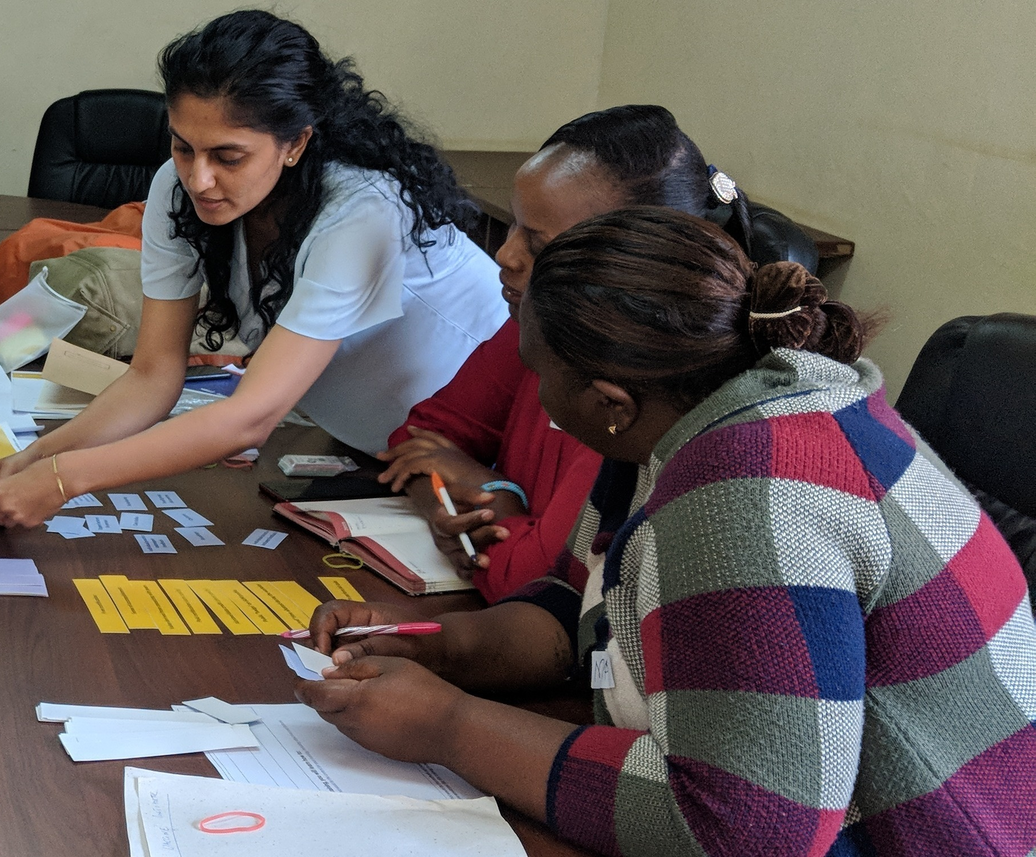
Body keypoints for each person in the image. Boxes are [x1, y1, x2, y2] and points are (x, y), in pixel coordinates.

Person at [297, 207, 1036, 855]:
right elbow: (586, 610)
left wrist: (449, 726)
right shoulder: (682, 416)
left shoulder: (750, 489)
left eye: (539, 373)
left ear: (609, 400)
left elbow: (745, 830)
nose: (538, 397)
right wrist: (440, 646)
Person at [0, 10, 505, 528]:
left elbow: (250, 419)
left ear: (295, 142)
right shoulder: (176, 189)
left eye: (229, 158)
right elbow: (153, 376)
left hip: (475, 457)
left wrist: (63, 480)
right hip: (379, 451)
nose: (198, 179)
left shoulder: (364, 211)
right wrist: (35, 459)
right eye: (183, 147)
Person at [374, 105, 753, 598]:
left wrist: (493, 496)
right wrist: (443, 505)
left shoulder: (639, 398)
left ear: (628, 259)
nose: (505, 254)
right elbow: (418, 439)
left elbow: (535, 578)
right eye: (513, 225)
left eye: (537, 243)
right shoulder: (531, 323)